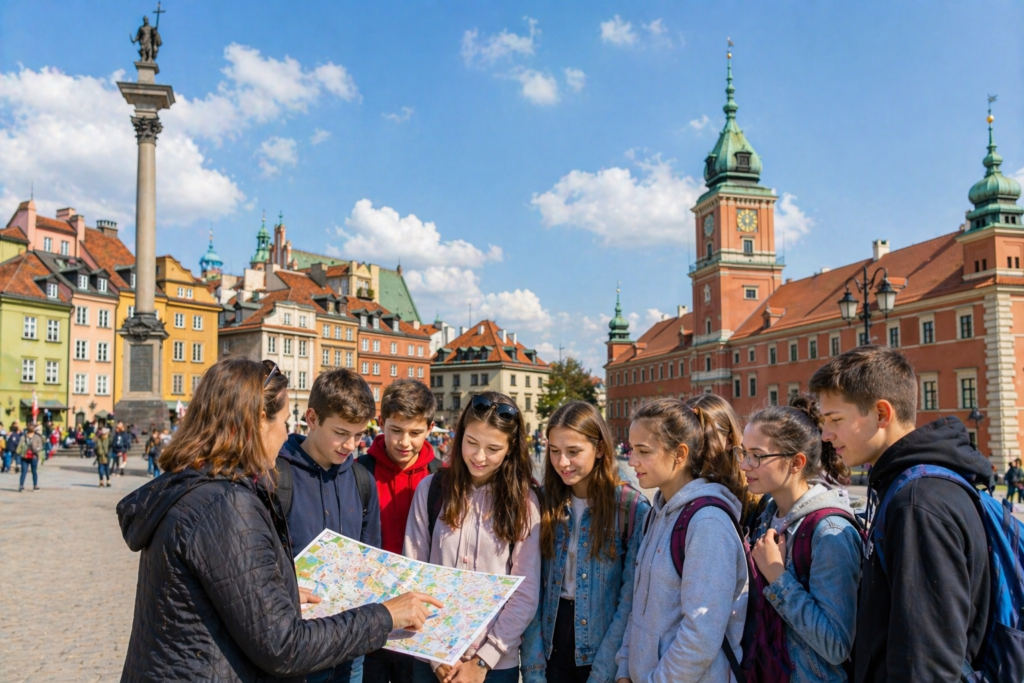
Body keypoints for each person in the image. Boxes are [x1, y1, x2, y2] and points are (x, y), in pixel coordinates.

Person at [117, 357, 442, 682]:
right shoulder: (226, 503)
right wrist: (383, 616)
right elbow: (284, 645)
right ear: (259, 421)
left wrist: (279, 590)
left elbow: (237, 597)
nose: (288, 433)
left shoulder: (195, 486)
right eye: (285, 421)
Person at [810, 345, 991, 682]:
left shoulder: (918, 504)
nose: (826, 434)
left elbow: (926, 660)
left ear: (881, 414)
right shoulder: (908, 488)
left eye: (835, 420)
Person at [404, 392, 541, 683]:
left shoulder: (524, 503)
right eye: (471, 443)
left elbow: (525, 593)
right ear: (460, 435)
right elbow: (414, 574)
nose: (479, 457)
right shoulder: (431, 489)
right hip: (432, 660)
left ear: (510, 448)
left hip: (493, 667)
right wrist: (434, 653)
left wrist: (483, 661)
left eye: (493, 448)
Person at [615, 397, 748, 683]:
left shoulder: (707, 523)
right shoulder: (657, 513)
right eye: (630, 449)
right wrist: (625, 667)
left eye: (643, 451)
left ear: (680, 454)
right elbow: (639, 606)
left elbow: (702, 634)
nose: (631, 460)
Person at [521, 401, 650, 683]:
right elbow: (531, 589)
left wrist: (604, 672)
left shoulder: (631, 508)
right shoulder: (542, 502)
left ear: (600, 449)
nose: (562, 462)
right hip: (550, 645)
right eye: (554, 451)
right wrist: (532, 668)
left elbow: (629, 601)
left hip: (604, 646)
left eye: (573, 451)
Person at [741, 396, 863, 682]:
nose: (745, 465)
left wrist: (777, 577)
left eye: (757, 456)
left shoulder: (830, 532)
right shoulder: (765, 518)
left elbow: (836, 645)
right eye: (743, 452)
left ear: (796, 462)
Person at [277, 368, 382, 683]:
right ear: (311, 418)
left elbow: (370, 558)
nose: (350, 445)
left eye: (359, 434)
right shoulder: (276, 477)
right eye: (340, 432)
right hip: (297, 645)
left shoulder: (362, 480)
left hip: (351, 646)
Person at [359, 380, 442, 683]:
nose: (404, 442)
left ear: (430, 427)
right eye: (395, 430)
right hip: (371, 616)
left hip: (422, 622)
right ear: (381, 423)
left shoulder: (442, 479)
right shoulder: (359, 472)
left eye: (415, 433)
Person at [17, 422, 44, 491]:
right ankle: (29, 485)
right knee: (28, 471)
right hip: (28, 456)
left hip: (31, 456)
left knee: (30, 471)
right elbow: (40, 447)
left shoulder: (36, 437)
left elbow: (18, 448)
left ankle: (24, 485)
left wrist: (19, 453)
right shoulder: (24, 437)